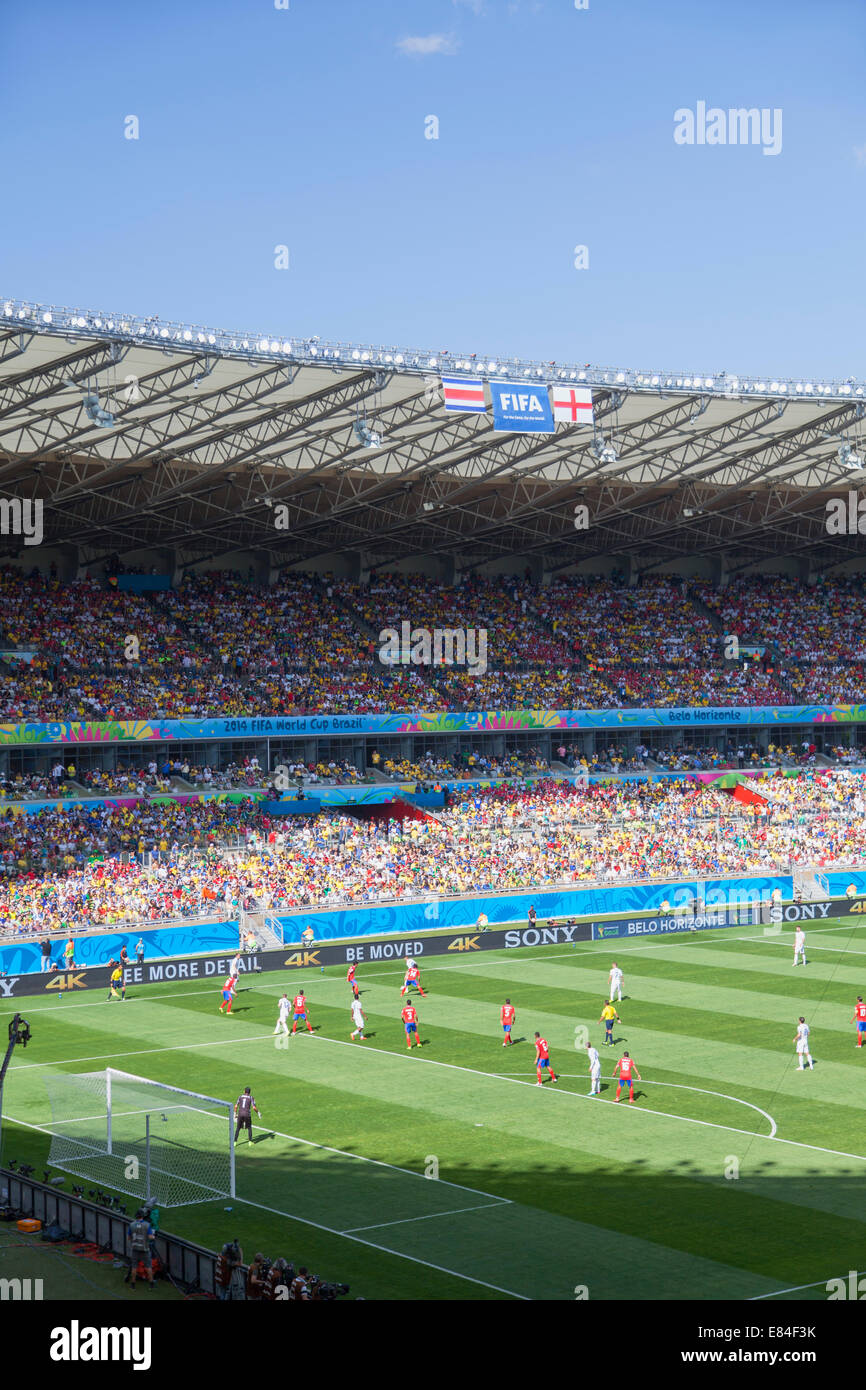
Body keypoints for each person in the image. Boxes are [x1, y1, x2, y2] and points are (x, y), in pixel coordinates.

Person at [126, 1209, 155, 1290]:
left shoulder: (131, 1225)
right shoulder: (147, 1225)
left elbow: (128, 1238)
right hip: (145, 1249)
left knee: (134, 1267)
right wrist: (153, 1236)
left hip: (135, 1249)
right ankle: (151, 1283)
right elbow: (150, 1237)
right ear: (143, 1216)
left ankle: (133, 1284)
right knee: (148, 1267)